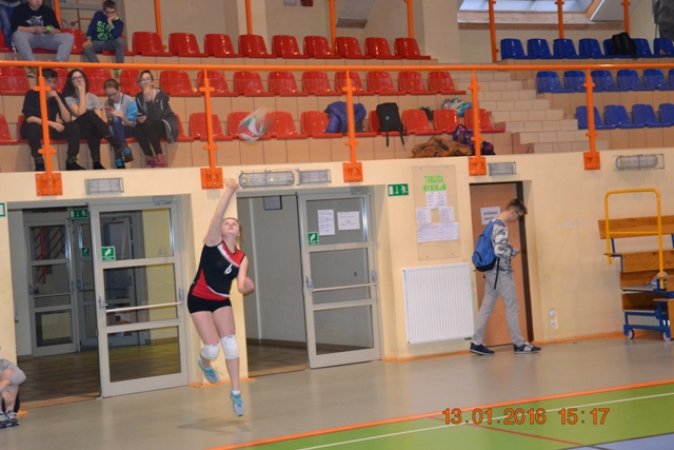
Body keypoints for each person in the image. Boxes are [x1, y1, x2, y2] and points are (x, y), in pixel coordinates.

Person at [187, 179, 255, 417]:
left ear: (238, 232)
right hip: (198, 299)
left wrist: (248, 286)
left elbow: (241, 286)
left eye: (234, 223)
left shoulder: (242, 258)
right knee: (213, 349)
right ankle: (205, 363)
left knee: (231, 345)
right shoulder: (212, 242)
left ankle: (235, 393)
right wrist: (231, 189)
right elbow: (218, 213)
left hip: (221, 300)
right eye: (227, 223)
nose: (230, 224)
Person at [470, 199, 541, 356]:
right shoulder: (501, 226)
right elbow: (500, 250)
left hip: (491, 273)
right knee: (512, 307)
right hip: (501, 273)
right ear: (512, 212)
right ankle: (519, 344)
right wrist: (513, 251)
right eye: (518, 216)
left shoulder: (492, 223)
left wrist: (508, 249)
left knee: (486, 307)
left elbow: (496, 247)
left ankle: (476, 342)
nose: (516, 220)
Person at [21, 68, 84, 171]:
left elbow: (67, 119)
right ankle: (39, 162)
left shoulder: (57, 95)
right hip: (36, 127)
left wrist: (58, 99)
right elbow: (29, 118)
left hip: (49, 128)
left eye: (54, 82)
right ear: (40, 81)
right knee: (33, 127)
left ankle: (71, 161)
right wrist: (52, 123)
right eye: (48, 82)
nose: (51, 85)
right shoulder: (31, 94)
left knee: (73, 126)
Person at [63, 69, 124, 170]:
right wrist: (82, 93)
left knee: (94, 126)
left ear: (85, 79)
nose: (78, 80)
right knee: (90, 114)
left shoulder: (93, 97)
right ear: (71, 82)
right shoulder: (69, 98)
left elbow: (98, 118)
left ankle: (96, 163)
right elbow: (80, 113)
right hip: (76, 129)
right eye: (75, 78)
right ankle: (114, 142)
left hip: (91, 128)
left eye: (80, 77)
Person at [134, 70, 178, 168]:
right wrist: (139, 118)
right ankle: (149, 158)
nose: (145, 82)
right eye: (142, 80)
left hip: (165, 124)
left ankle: (160, 156)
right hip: (149, 125)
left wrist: (148, 100)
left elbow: (157, 116)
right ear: (139, 84)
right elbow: (139, 113)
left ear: (152, 82)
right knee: (136, 127)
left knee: (149, 123)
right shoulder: (138, 97)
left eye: (148, 79)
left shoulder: (161, 95)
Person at [11, 0, 74, 66]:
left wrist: (49, 29)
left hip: (45, 37)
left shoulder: (48, 11)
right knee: (17, 35)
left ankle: (59, 64)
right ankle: (32, 64)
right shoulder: (19, 9)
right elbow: (15, 28)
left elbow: (57, 30)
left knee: (68, 37)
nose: (38, 1)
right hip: (29, 38)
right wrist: (34, 29)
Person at [103, 78, 135, 169]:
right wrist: (109, 119)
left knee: (116, 121)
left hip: (129, 128)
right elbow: (109, 123)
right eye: (109, 95)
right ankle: (125, 149)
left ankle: (118, 158)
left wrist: (121, 116)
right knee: (111, 127)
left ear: (119, 89)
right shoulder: (107, 102)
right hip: (117, 131)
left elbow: (132, 123)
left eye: (114, 94)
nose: (112, 97)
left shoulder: (128, 100)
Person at [83, 1, 125, 68]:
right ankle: (100, 68)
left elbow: (115, 35)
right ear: (104, 12)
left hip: (109, 42)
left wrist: (110, 22)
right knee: (86, 47)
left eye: (113, 12)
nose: (111, 14)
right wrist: (89, 39)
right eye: (109, 12)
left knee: (120, 41)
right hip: (96, 42)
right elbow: (92, 27)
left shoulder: (119, 23)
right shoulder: (98, 15)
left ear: (116, 11)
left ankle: (119, 68)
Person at [0, 356, 26, 428]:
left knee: (8, 373)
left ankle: (9, 412)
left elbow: (22, 376)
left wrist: (6, 382)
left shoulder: (3, 362)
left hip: (9, 401)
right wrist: (3, 392)